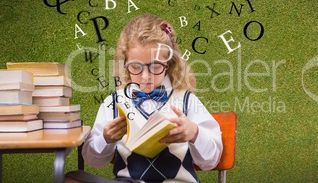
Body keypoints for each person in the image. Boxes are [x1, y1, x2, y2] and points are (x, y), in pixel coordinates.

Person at [65, 13, 222, 183]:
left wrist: (194, 133)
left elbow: (211, 161)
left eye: (155, 66)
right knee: (71, 178)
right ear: (125, 65)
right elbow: (92, 160)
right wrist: (106, 139)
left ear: (168, 64)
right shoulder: (113, 103)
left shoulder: (187, 101)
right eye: (135, 67)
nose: (145, 76)